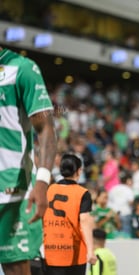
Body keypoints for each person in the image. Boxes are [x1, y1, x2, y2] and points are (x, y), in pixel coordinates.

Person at [0, 46, 57, 275]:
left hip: (11, 189)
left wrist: (42, 182)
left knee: (15, 267)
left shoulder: (22, 68)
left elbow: (45, 129)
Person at [43, 153, 97, 274]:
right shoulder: (82, 193)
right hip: (74, 253)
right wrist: (91, 250)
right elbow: (84, 221)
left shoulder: (48, 189)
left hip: (49, 251)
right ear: (79, 171)